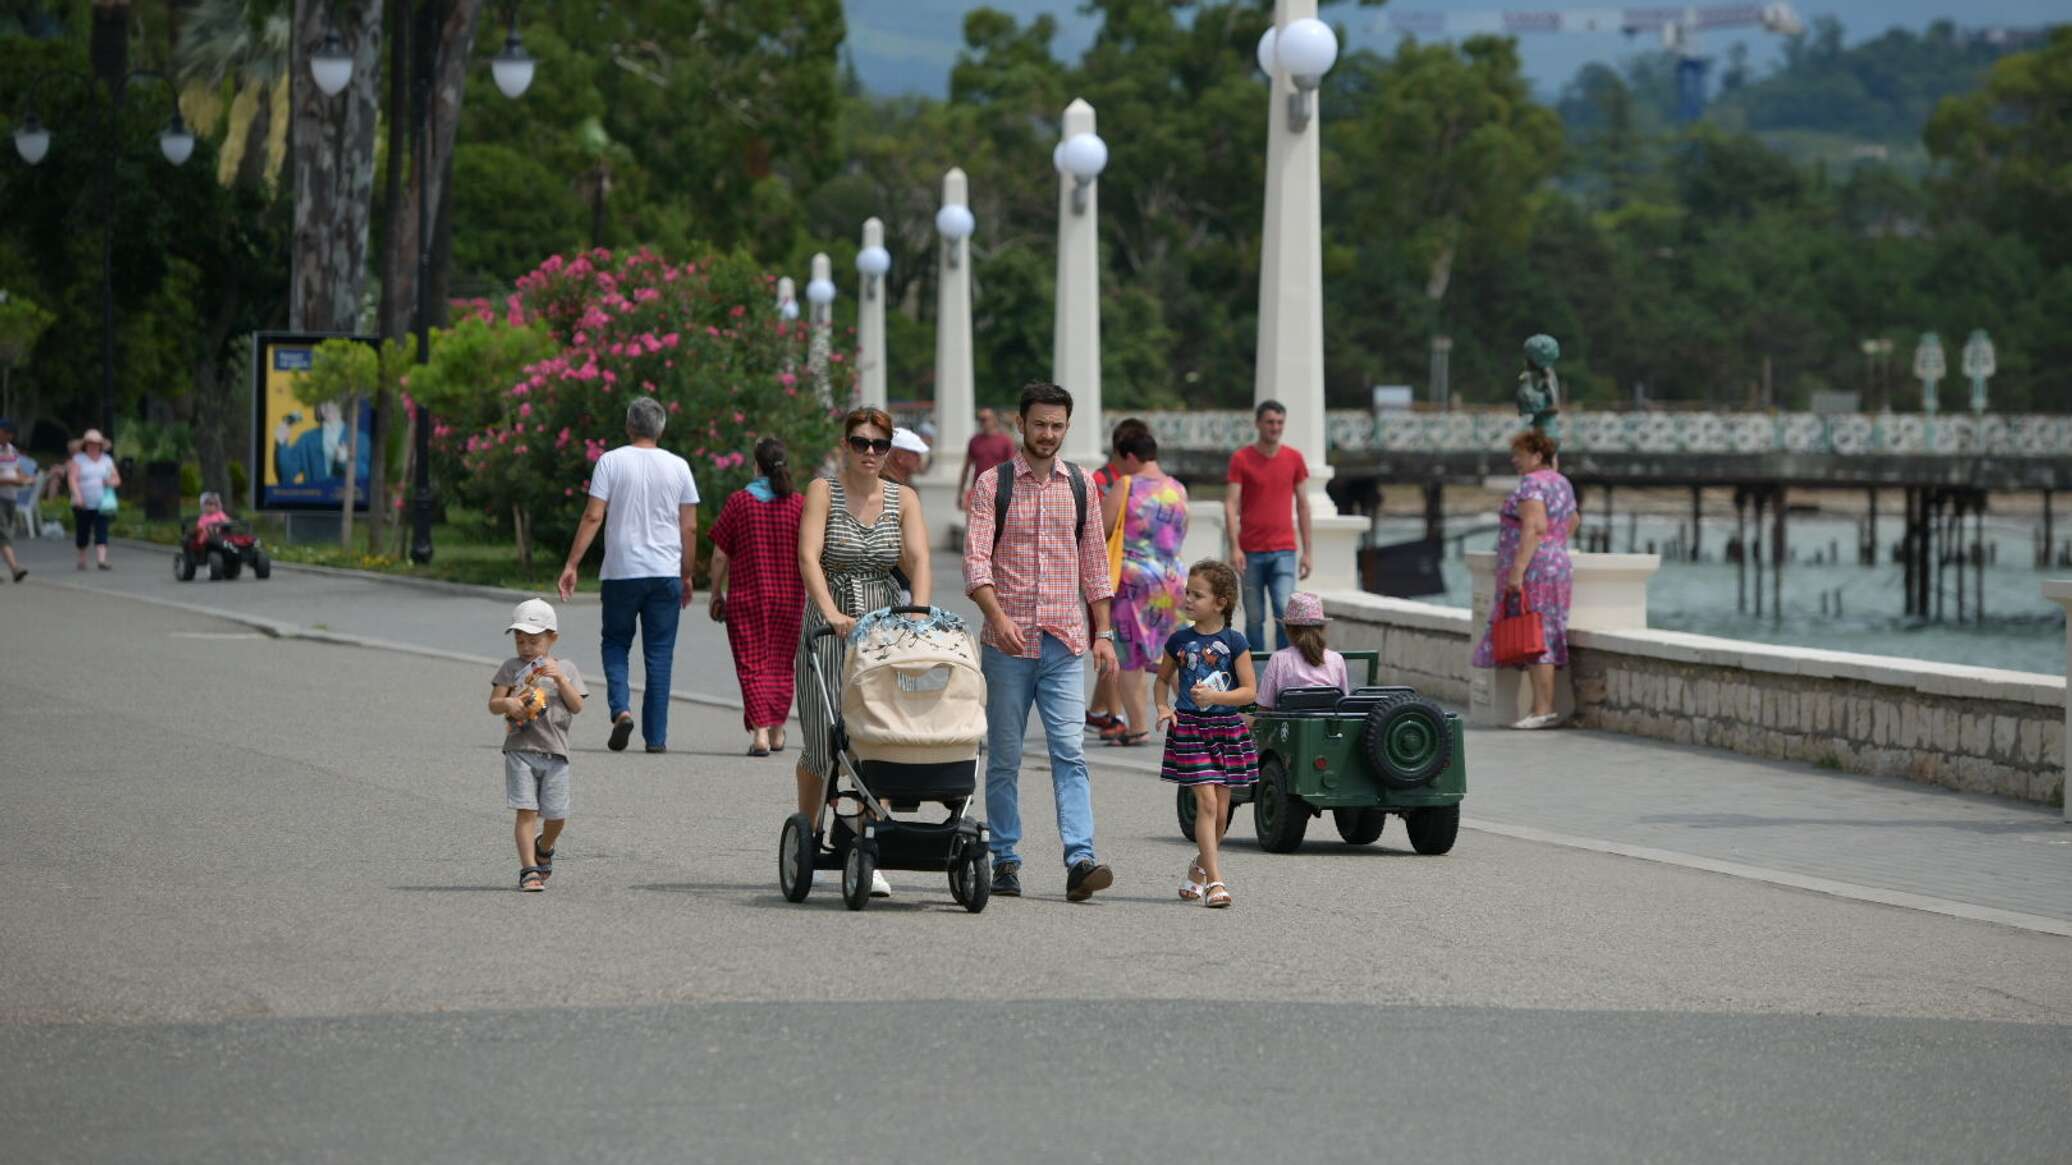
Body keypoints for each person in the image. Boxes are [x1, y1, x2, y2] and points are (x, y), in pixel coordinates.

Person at [964, 382, 1117, 902]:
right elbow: (976, 560)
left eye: (1057, 426)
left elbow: (1095, 561)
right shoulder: (993, 484)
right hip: (1007, 645)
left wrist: (1106, 633)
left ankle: (1080, 859)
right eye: (1039, 425)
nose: (1048, 434)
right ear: (1020, 425)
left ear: (1066, 428)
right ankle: (1005, 859)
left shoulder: (1081, 485)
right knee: (1005, 756)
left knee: (1070, 751)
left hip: (1064, 642)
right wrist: (995, 615)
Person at [797, 407, 931, 898]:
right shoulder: (823, 491)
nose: (870, 452)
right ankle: (808, 831)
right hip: (830, 627)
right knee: (822, 741)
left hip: (882, 625)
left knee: (878, 737)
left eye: (879, 444)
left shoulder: (904, 498)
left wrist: (918, 611)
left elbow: (917, 560)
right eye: (860, 443)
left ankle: (865, 842)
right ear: (845, 445)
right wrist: (830, 611)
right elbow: (809, 556)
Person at [556, 397, 699, 754]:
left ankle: (621, 710)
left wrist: (572, 564)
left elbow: (593, 516)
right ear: (661, 428)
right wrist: (687, 574)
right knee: (660, 654)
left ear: (629, 426)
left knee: (616, 643)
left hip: (621, 571)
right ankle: (656, 738)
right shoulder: (679, 466)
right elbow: (690, 528)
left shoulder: (610, 461)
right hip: (665, 571)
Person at [1154, 559, 1258, 910]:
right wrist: (1164, 708)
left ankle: (1199, 869)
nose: (1187, 600)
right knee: (1207, 803)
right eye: (1187, 592)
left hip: (1226, 730)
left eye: (1197, 595)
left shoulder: (1235, 641)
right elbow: (1160, 679)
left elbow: (1249, 693)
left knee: (1223, 812)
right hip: (1190, 731)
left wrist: (1216, 698)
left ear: (1220, 602)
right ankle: (1216, 882)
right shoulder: (1179, 640)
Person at [1472, 430, 1578, 730]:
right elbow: (1573, 521)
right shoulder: (1561, 482)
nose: (1514, 460)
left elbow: (1534, 527)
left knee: (1536, 635)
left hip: (1535, 568)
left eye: (1518, 454)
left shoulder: (1532, 484)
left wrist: (1517, 571)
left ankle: (1542, 709)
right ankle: (1540, 707)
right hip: (1557, 563)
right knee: (1546, 631)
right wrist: (1555, 545)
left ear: (1535, 455)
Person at [708, 438, 807, 758]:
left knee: (752, 665)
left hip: (747, 598)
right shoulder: (798, 505)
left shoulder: (740, 502)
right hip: (789, 598)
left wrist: (714, 592)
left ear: (757, 465)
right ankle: (778, 731)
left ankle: (761, 734)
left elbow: (721, 554)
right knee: (781, 665)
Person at [487, 598, 587, 892]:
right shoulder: (510, 668)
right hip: (520, 750)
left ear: (552, 638)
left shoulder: (565, 668)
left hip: (555, 752)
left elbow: (577, 706)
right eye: (520, 641)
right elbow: (494, 704)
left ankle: (544, 846)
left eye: (534, 640)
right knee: (526, 810)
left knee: (556, 816)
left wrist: (560, 679)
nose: (527, 648)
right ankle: (528, 869)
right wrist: (508, 702)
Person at [1100, 421, 1189, 746]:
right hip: (1172, 578)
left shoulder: (1126, 485)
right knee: (1175, 652)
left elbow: (1103, 530)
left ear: (1129, 455)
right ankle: (1193, 717)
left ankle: (1137, 727)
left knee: (1129, 654)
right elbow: (1181, 532)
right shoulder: (1178, 488)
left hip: (1133, 580)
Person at [1224, 399, 1312, 651]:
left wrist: (1308, 551)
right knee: (1253, 618)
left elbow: (1303, 505)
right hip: (1250, 551)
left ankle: (1284, 667)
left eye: (1280, 422)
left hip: (1284, 550)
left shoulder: (1294, 458)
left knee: (1285, 611)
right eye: (1270, 422)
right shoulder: (1241, 459)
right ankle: (1257, 674)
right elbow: (1231, 503)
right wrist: (1234, 547)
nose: (1275, 427)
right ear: (1258, 424)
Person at [1083, 419, 1138, 740]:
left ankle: (1096, 712)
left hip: (1128, 577)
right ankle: (1115, 716)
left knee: (1115, 644)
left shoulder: (1136, 481)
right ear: (1125, 451)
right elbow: (1091, 530)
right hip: (1103, 574)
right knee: (1108, 643)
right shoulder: (1100, 481)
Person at [1254, 592, 1349, 709]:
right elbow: (1343, 704)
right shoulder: (1336, 659)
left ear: (1289, 629)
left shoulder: (1278, 659)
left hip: (1288, 726)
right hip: (1328, 727)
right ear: (1322, 628)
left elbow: (1264, 708)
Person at [274, 400, 368, 486]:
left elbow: (367, 476)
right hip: (315, 501)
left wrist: (346, 462)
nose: (327, 406)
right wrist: (281, 445)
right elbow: (286, 475)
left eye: (334, 401)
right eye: (323, 402)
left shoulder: (360, 438)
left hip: (349, 502)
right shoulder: (307, 439)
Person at [68, 429, 120, 572]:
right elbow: (72, 478)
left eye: (96, 443)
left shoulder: (107, 460)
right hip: (82, 502)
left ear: (101, 445)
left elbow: (116, 479)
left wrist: (111, 482)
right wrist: (78, 496)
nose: (93, 446)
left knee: (102, 530)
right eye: (90, 443)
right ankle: (82, 559)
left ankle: (101, 560)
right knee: (82, 531)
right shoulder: (78, 459)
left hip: (102, 503)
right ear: (85, 444)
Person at [955, 406, 1017, 513]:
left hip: (999, 491)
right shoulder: (974, 441)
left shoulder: (1005, 441)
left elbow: (1013, 469)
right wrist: (960, 493)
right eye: (980, 419)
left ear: (994, 420)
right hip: (980, 490)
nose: (983, 422)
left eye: (986, 419)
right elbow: (966, 468)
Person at [0, 419, 28, 582]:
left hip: (11, 496)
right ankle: (14, 568)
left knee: (4, 532)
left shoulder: (11, 450)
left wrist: (25, 478)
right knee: (4, 533)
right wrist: (11, 481)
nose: (8, 436)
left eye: (10, 433)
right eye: (5, 432)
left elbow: (17, 470)